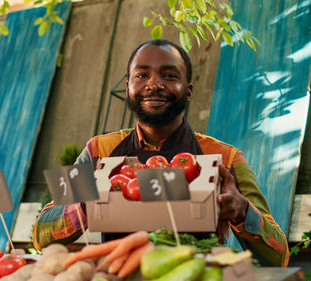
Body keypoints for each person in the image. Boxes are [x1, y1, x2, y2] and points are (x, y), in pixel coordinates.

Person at [32, 39, 289, 266]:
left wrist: (242, 211)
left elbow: (279, 257)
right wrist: (84, 207)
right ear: (129, 89)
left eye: (169, 76)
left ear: (188, 91)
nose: (154, 85)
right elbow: (41, 233)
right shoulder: (99, 151)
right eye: (141, 76)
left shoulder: (225, 158)